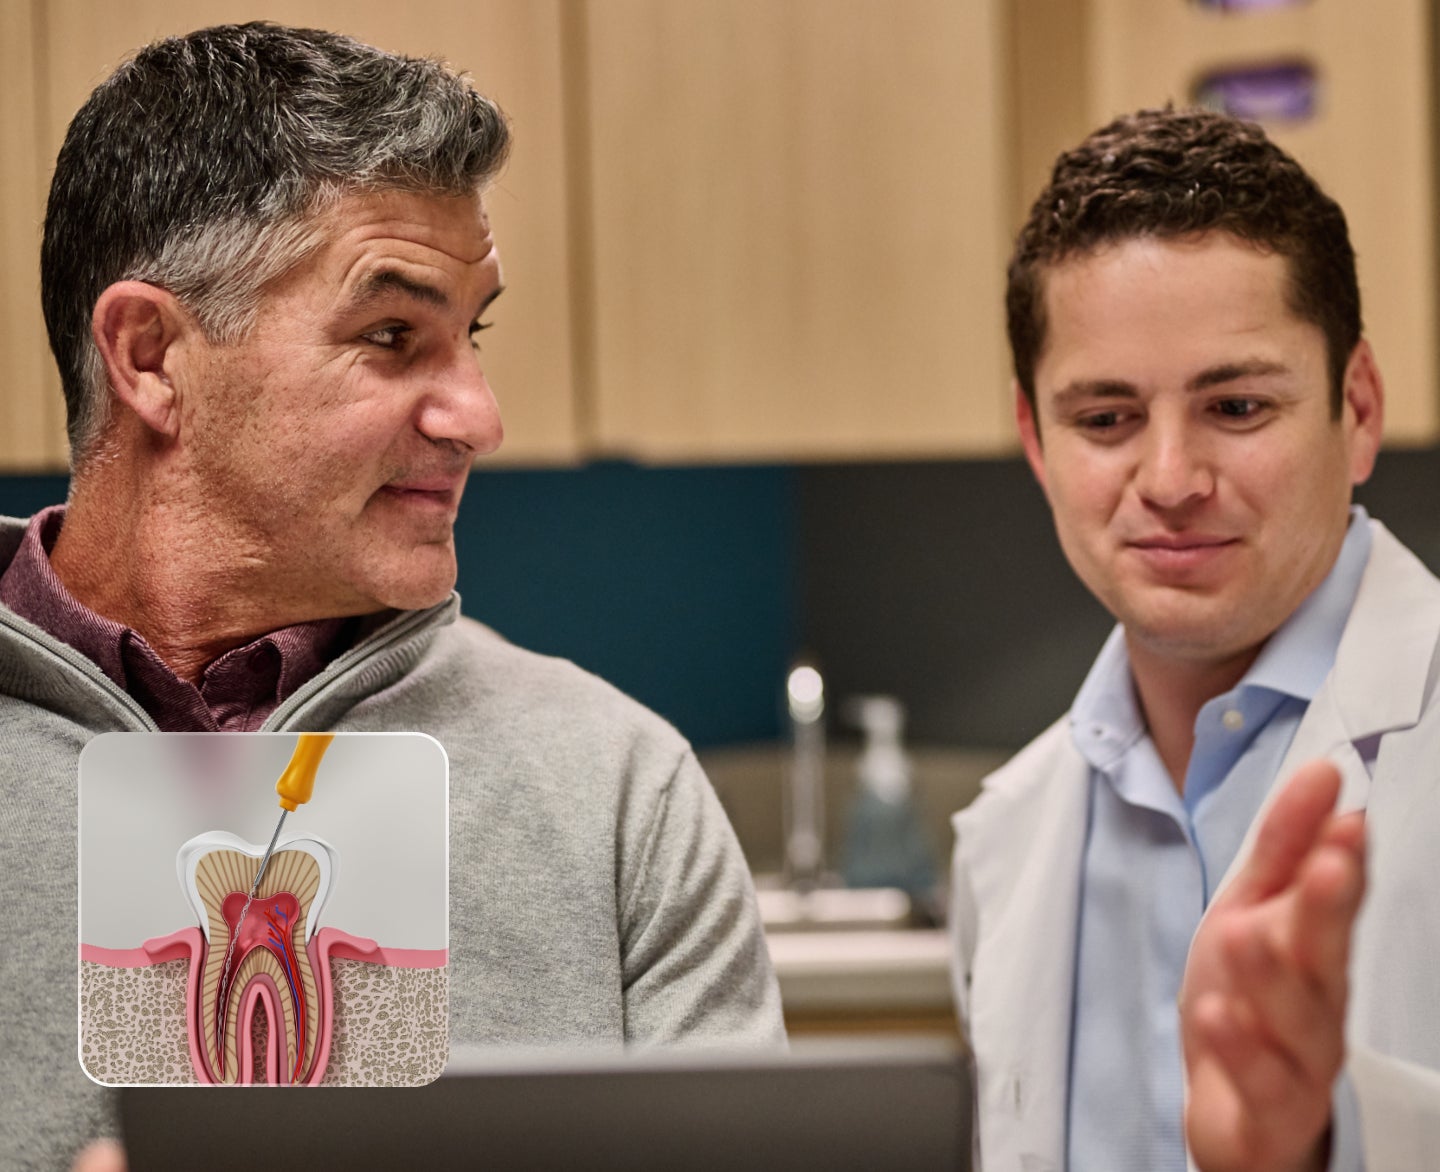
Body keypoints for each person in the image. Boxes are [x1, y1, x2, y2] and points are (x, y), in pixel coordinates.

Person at [0, 22, 783, 1171]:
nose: (479, 414)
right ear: (153, 356)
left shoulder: (620, 790)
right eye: (392, 333)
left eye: (470, 336)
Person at [949, 106, 1440, 1172]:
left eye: (1236, 404)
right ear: (1035, 437)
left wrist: (1328, 1136)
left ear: (1356, 408)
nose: (1170, 480)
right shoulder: (1006, 841)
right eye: (1106, 418)